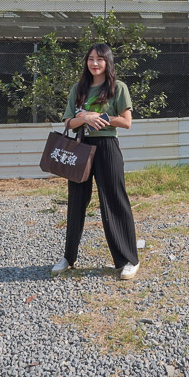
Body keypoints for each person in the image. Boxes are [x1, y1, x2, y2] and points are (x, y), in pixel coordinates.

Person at [52, 43, 140, 280]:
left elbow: (126, 122)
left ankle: (128, 259)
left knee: (114, 201)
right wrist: (83, 117)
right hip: (81, 147)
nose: (94, 63)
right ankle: (68, 257)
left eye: (99, 59)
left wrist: (98, 117)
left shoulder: (117, 88)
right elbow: (68, 122)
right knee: (76, 202)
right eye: (91, 59)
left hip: (107, 148)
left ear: (107, 62)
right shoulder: (78, 88)